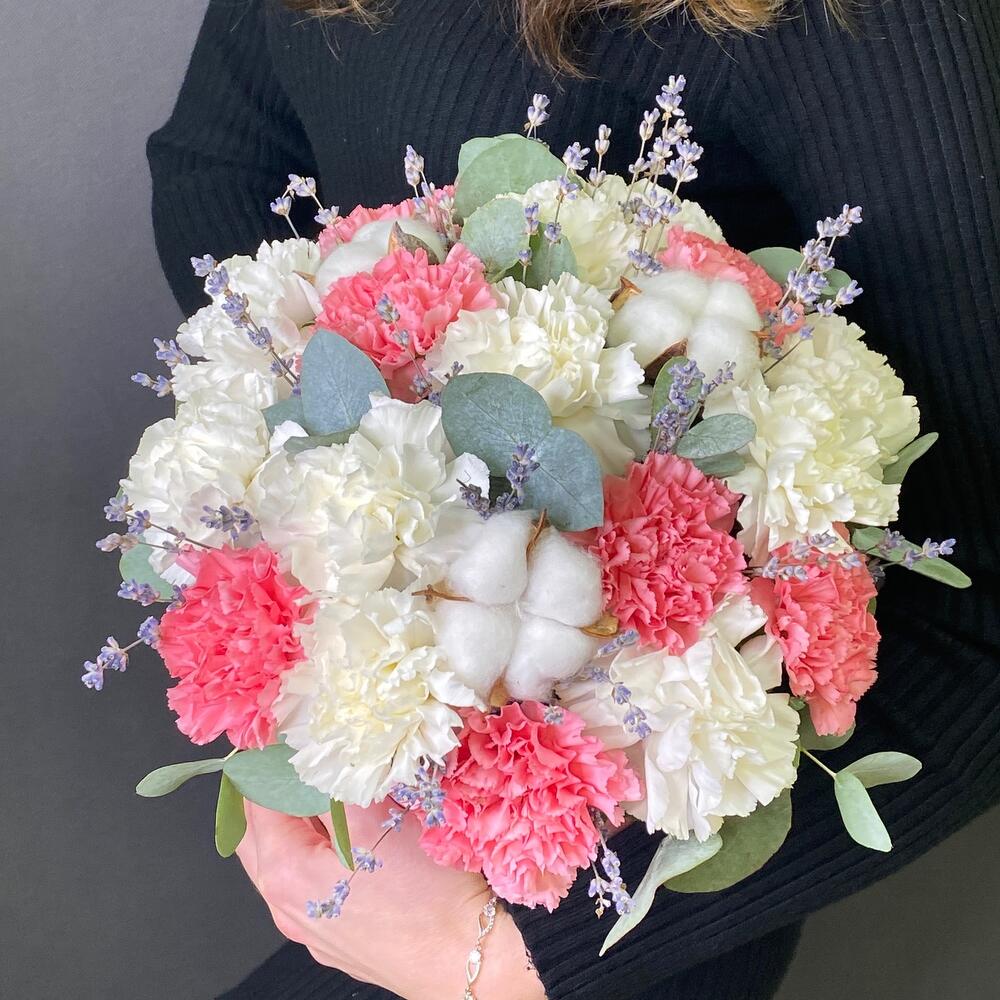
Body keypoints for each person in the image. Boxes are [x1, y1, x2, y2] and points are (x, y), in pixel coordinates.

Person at [147, 0, 1000, 996]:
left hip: (599, 891)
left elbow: (984, 618)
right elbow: (217, 167)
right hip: (390, 820)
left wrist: (500, 962)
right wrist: (328, 544)